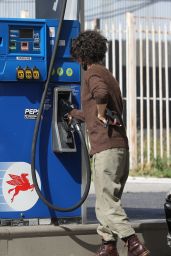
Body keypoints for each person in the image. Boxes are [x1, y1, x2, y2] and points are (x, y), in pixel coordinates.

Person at [69, 30, 150, 256]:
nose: (77, 62)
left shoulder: (92, 73)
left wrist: (101, 113)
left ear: (82, 56)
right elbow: (96, 109)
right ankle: (108, 246)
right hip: (120, 148)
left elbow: (100, 96)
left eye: (77, 57)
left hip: (105, 148)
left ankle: (133, 244)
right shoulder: (108, 74)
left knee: (107, 204)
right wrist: (76, 113)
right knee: (106, 202)